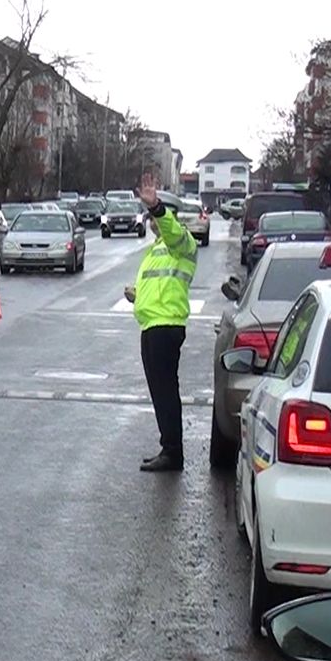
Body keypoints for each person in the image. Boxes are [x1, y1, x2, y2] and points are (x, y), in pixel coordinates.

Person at [126, 173, 198, 473]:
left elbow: (171, 231)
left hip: (166, 327)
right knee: (159, 391)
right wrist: (136, 294)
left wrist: (157, 207)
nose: (152, 221)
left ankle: (173, 453)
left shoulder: (182, 241)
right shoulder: (155, 249)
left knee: (166, 391)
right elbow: (158, 284)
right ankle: (167, 447)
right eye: (151, 216)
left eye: (156, 215)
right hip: (151, 325)